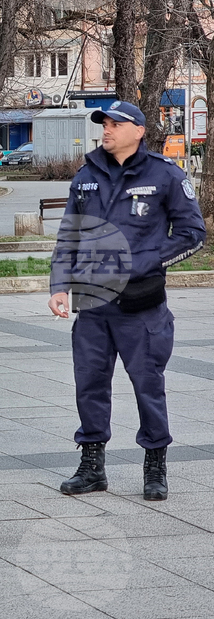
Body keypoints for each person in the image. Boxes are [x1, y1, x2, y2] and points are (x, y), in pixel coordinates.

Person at [49, 101, 206, 501]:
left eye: (116, 124)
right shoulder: (86, 176)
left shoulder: (164, 175)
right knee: (89, 385)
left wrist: (143, 263)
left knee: (147, 387)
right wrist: (59, 285)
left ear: (138, 131)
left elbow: (192, 234)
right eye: (104, 123)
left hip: (141, 307)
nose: (107, 129)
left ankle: (155, 466)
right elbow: (69, 235)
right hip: (92, 303)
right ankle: (92, 466)